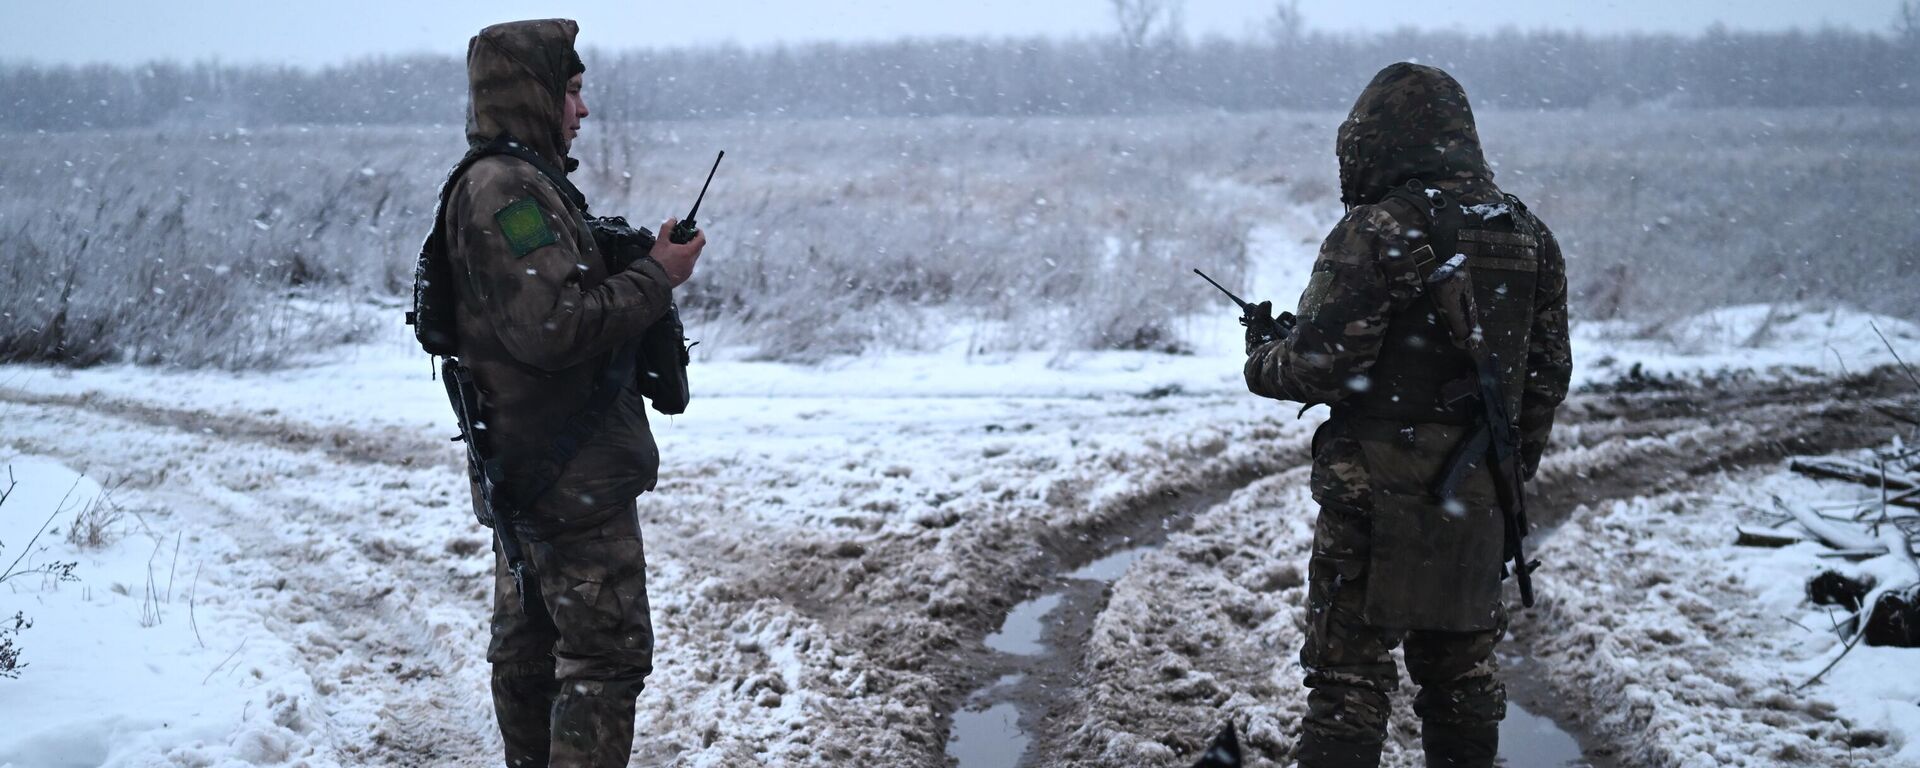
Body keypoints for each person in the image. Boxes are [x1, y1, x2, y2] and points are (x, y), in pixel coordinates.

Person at [1242, 62, 1571, 768]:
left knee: (1347, 683)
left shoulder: (1377, 226)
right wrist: (1498, 474)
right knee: (1461, 681)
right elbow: (1546, 379)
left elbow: (1321, 364)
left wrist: (1262, 359)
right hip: (1477, 493)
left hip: (1375, 493)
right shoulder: (1527, 234)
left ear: (1376, 141)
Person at [444, 18, 704, 767]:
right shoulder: (508, 192)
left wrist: (629, 259)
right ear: (535, 93)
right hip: (566, 479)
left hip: (528, 470)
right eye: (572, 90)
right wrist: (659, 275)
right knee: (601, 660)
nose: (582, 110)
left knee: (532, 654)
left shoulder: (512, 182)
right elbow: (553, 328)